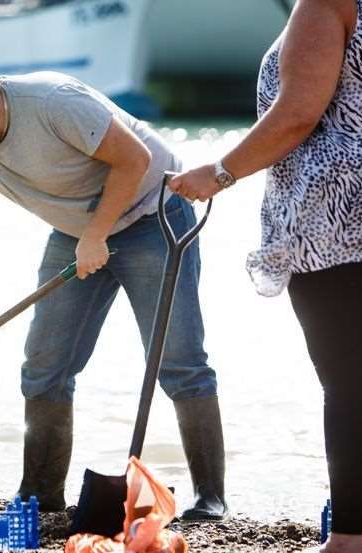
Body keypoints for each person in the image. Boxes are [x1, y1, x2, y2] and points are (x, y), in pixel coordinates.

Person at [0, 49, 228, 522]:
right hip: (76, 232)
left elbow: (134, 159)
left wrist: (97, 234)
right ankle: (40, 495)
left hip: (153, 215)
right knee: (44, 366)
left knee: (180, 362)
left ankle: (211, 499)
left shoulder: (54, 102)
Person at [169, 0, 362, 550]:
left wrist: (220, 171)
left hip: (341, 220)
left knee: (350, 387)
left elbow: (298, 111)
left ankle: (350, 539)